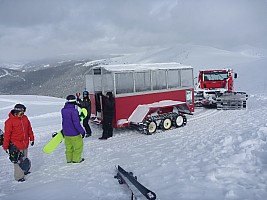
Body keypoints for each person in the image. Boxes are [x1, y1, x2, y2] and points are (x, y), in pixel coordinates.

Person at [3, 104, 34, 182]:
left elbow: (29, 129)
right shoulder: (9, 122)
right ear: (17, 111)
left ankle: (24, 170)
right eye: (21, 112)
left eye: (23, 112)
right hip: (15, 145)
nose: (22, 114)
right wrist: (5, 146)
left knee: (24, 158)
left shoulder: (25, 118)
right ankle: (19, 177)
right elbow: (7, 135)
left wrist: (32, 138)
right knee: (17, 161)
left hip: (25, 143)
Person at [61, 95, 85, 163]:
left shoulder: (63, 110)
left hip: (66, 133)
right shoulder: (74, 111)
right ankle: (76, 159)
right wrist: (82, 132)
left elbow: (67, 121)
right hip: (74, 133)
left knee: (69, 148)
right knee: (78, 147)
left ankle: (69, 159)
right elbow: (76, 123)